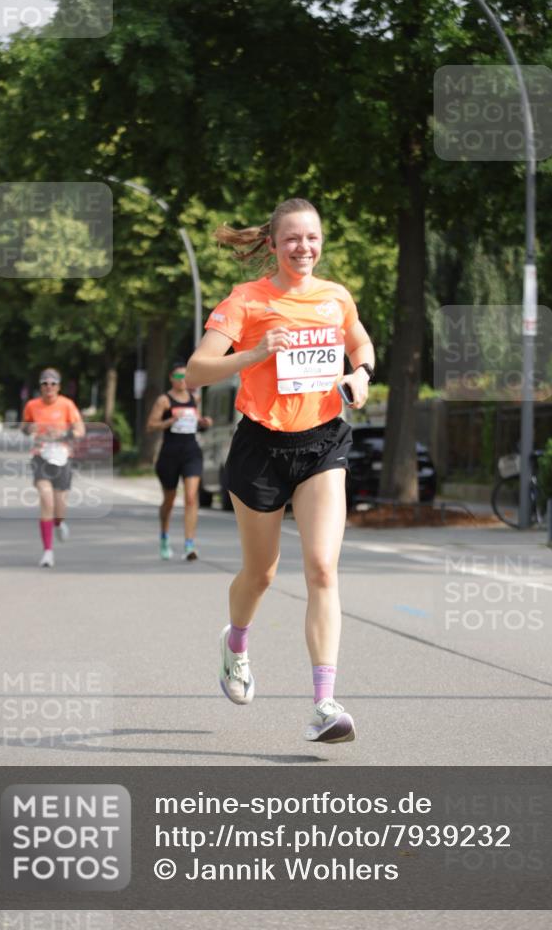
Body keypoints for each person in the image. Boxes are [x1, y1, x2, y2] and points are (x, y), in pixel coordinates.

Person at [186, 198, 375, 742]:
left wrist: (360, 373)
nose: (304, 247)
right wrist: (254, 354)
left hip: (322, 441)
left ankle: (324, 705)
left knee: (321, 567)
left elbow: (358, 340)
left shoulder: (334, 297)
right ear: (272, 244)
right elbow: (196, 371)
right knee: (262, 573)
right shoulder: (246, 301)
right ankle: (236, 644)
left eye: (312, 237)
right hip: (261, 446)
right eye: (292, 238)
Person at [146, 360, 213, 561]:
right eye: (177, 376)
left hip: (191, 452)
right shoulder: (164, 401)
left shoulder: (194, 399)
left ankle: (189, 544)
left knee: (191, 497)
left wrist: (204, 422)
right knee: (169, 499)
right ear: (171, 379)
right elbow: (150, 425)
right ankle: (165, 537)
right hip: (169, 453)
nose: (182, 380)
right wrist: (169, 421)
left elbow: (196, 422)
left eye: (185, 376)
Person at [21, 368, 85, 568]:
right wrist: (28, 428)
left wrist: (65, 434)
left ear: (59, 386)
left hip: (62, 457)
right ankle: (48, 552)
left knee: (59, 508)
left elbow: (80, 429)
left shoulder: (67, 404)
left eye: (53, 383)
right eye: (45, 383)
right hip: (40, 456)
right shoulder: (32, 405)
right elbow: (24, 426)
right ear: (40, 386)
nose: (49, 387)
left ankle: (59, 522)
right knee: (46, 501)